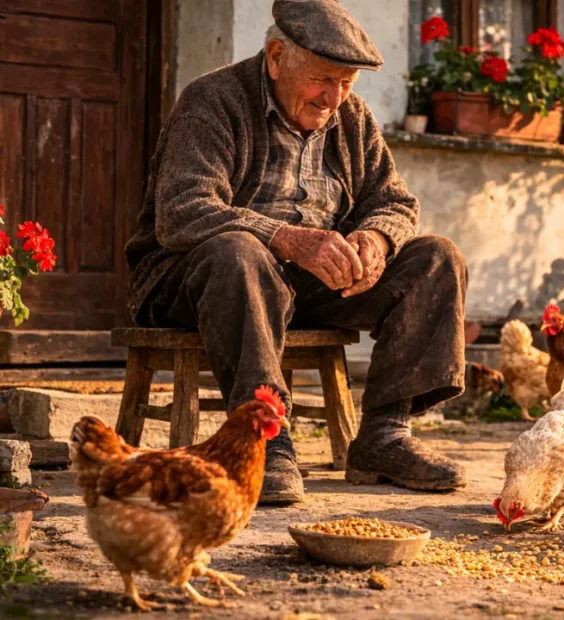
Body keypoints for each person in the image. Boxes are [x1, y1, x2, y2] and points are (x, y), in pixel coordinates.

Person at [125, 0, 468, 505]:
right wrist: (287, 238)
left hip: (303, 282)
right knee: (240, 251)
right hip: (197, 276)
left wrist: (374, 239)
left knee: (437, 257)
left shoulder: (350, 117)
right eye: (322, 79)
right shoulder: (212, 101)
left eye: (347, 83)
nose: (334, 97)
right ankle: (267, 442)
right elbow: (183, 211)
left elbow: (394, 201)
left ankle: (384, 437)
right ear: (276, 56)